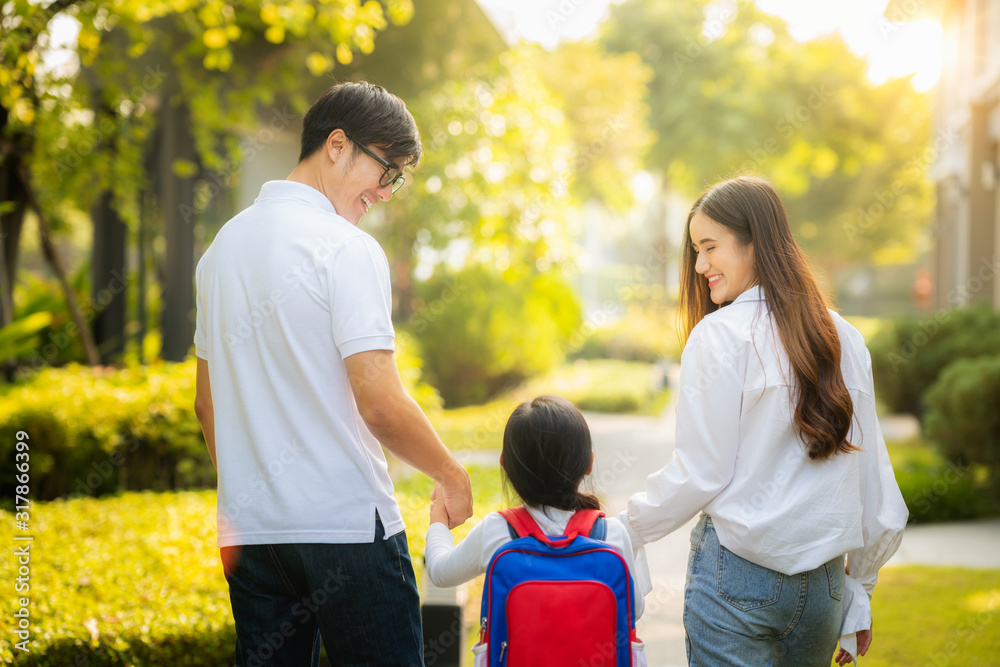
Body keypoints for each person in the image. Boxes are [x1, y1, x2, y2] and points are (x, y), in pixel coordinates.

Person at [193, 81, 474, 667]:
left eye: (396, 178)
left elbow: (207, 405)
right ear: (338, 144)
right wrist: (449, 472)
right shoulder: (346, 248)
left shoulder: (220, 251)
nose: (386, 191)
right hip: (347, 531)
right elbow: (379, 403)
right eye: (386, 169)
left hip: (252, 537)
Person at [618, 176, 908, 666]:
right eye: (695, 250)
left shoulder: (719, 337)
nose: (699, 265)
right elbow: (876, 486)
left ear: (757, 242)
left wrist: (626, 529)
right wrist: (859, 588)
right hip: (823, 592)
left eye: (710, 247)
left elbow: (700, 474)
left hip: (737, 579)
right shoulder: (846, 339)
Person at [425, 394, 648, 619]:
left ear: (504, 465)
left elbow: (440, 572)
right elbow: (634, 610)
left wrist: (439, 522)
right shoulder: (611, 533)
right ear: (589, 463)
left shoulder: (496, 530)